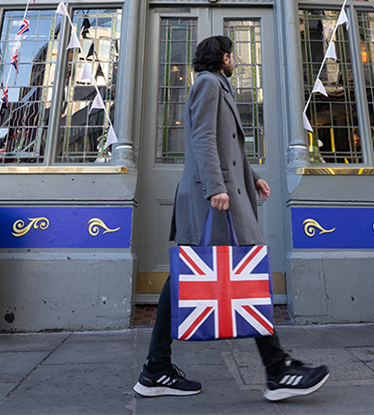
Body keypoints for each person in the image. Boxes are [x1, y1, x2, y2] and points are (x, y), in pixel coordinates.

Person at [134, 35, 330, 402]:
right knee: (247, 275)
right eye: (232, 56)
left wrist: (251, 176)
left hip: (218, 194)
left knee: (185, 277)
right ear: (223, 57)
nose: (234, 62)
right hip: (212, 200)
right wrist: (216, 187)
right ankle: (277, 370)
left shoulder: (216, 86)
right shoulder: (209, 84)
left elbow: (229, 148)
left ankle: (156, 368)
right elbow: (203, 137)